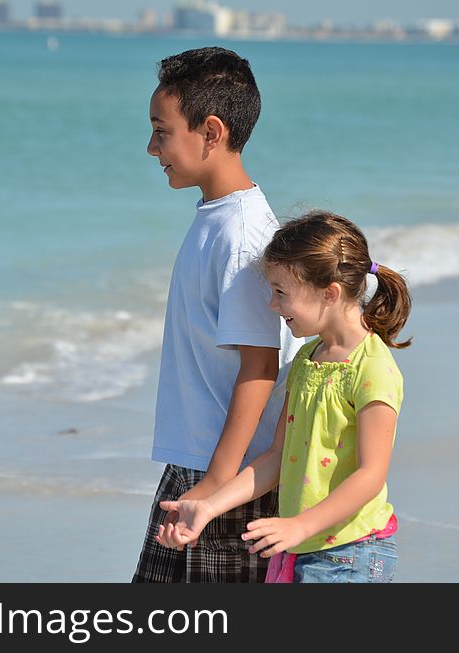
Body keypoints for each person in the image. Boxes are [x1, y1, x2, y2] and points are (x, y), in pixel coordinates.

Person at [156, 211, 412, 583]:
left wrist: (298, 526)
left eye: (281, 293)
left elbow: (371, 474)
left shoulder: (372, 369)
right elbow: (276, 457)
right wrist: (207, 507)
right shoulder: (307, 361)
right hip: (301, 549)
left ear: (330, 293)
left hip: (351, 553)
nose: (273, 306)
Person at [131, 47, 302, 583]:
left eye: (162, 131)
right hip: (197, 463)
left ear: (211, 132)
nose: (151, 146)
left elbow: (261, 364)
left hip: (229, 479)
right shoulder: (217, 217)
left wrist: (216, 485)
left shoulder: (244, 233)